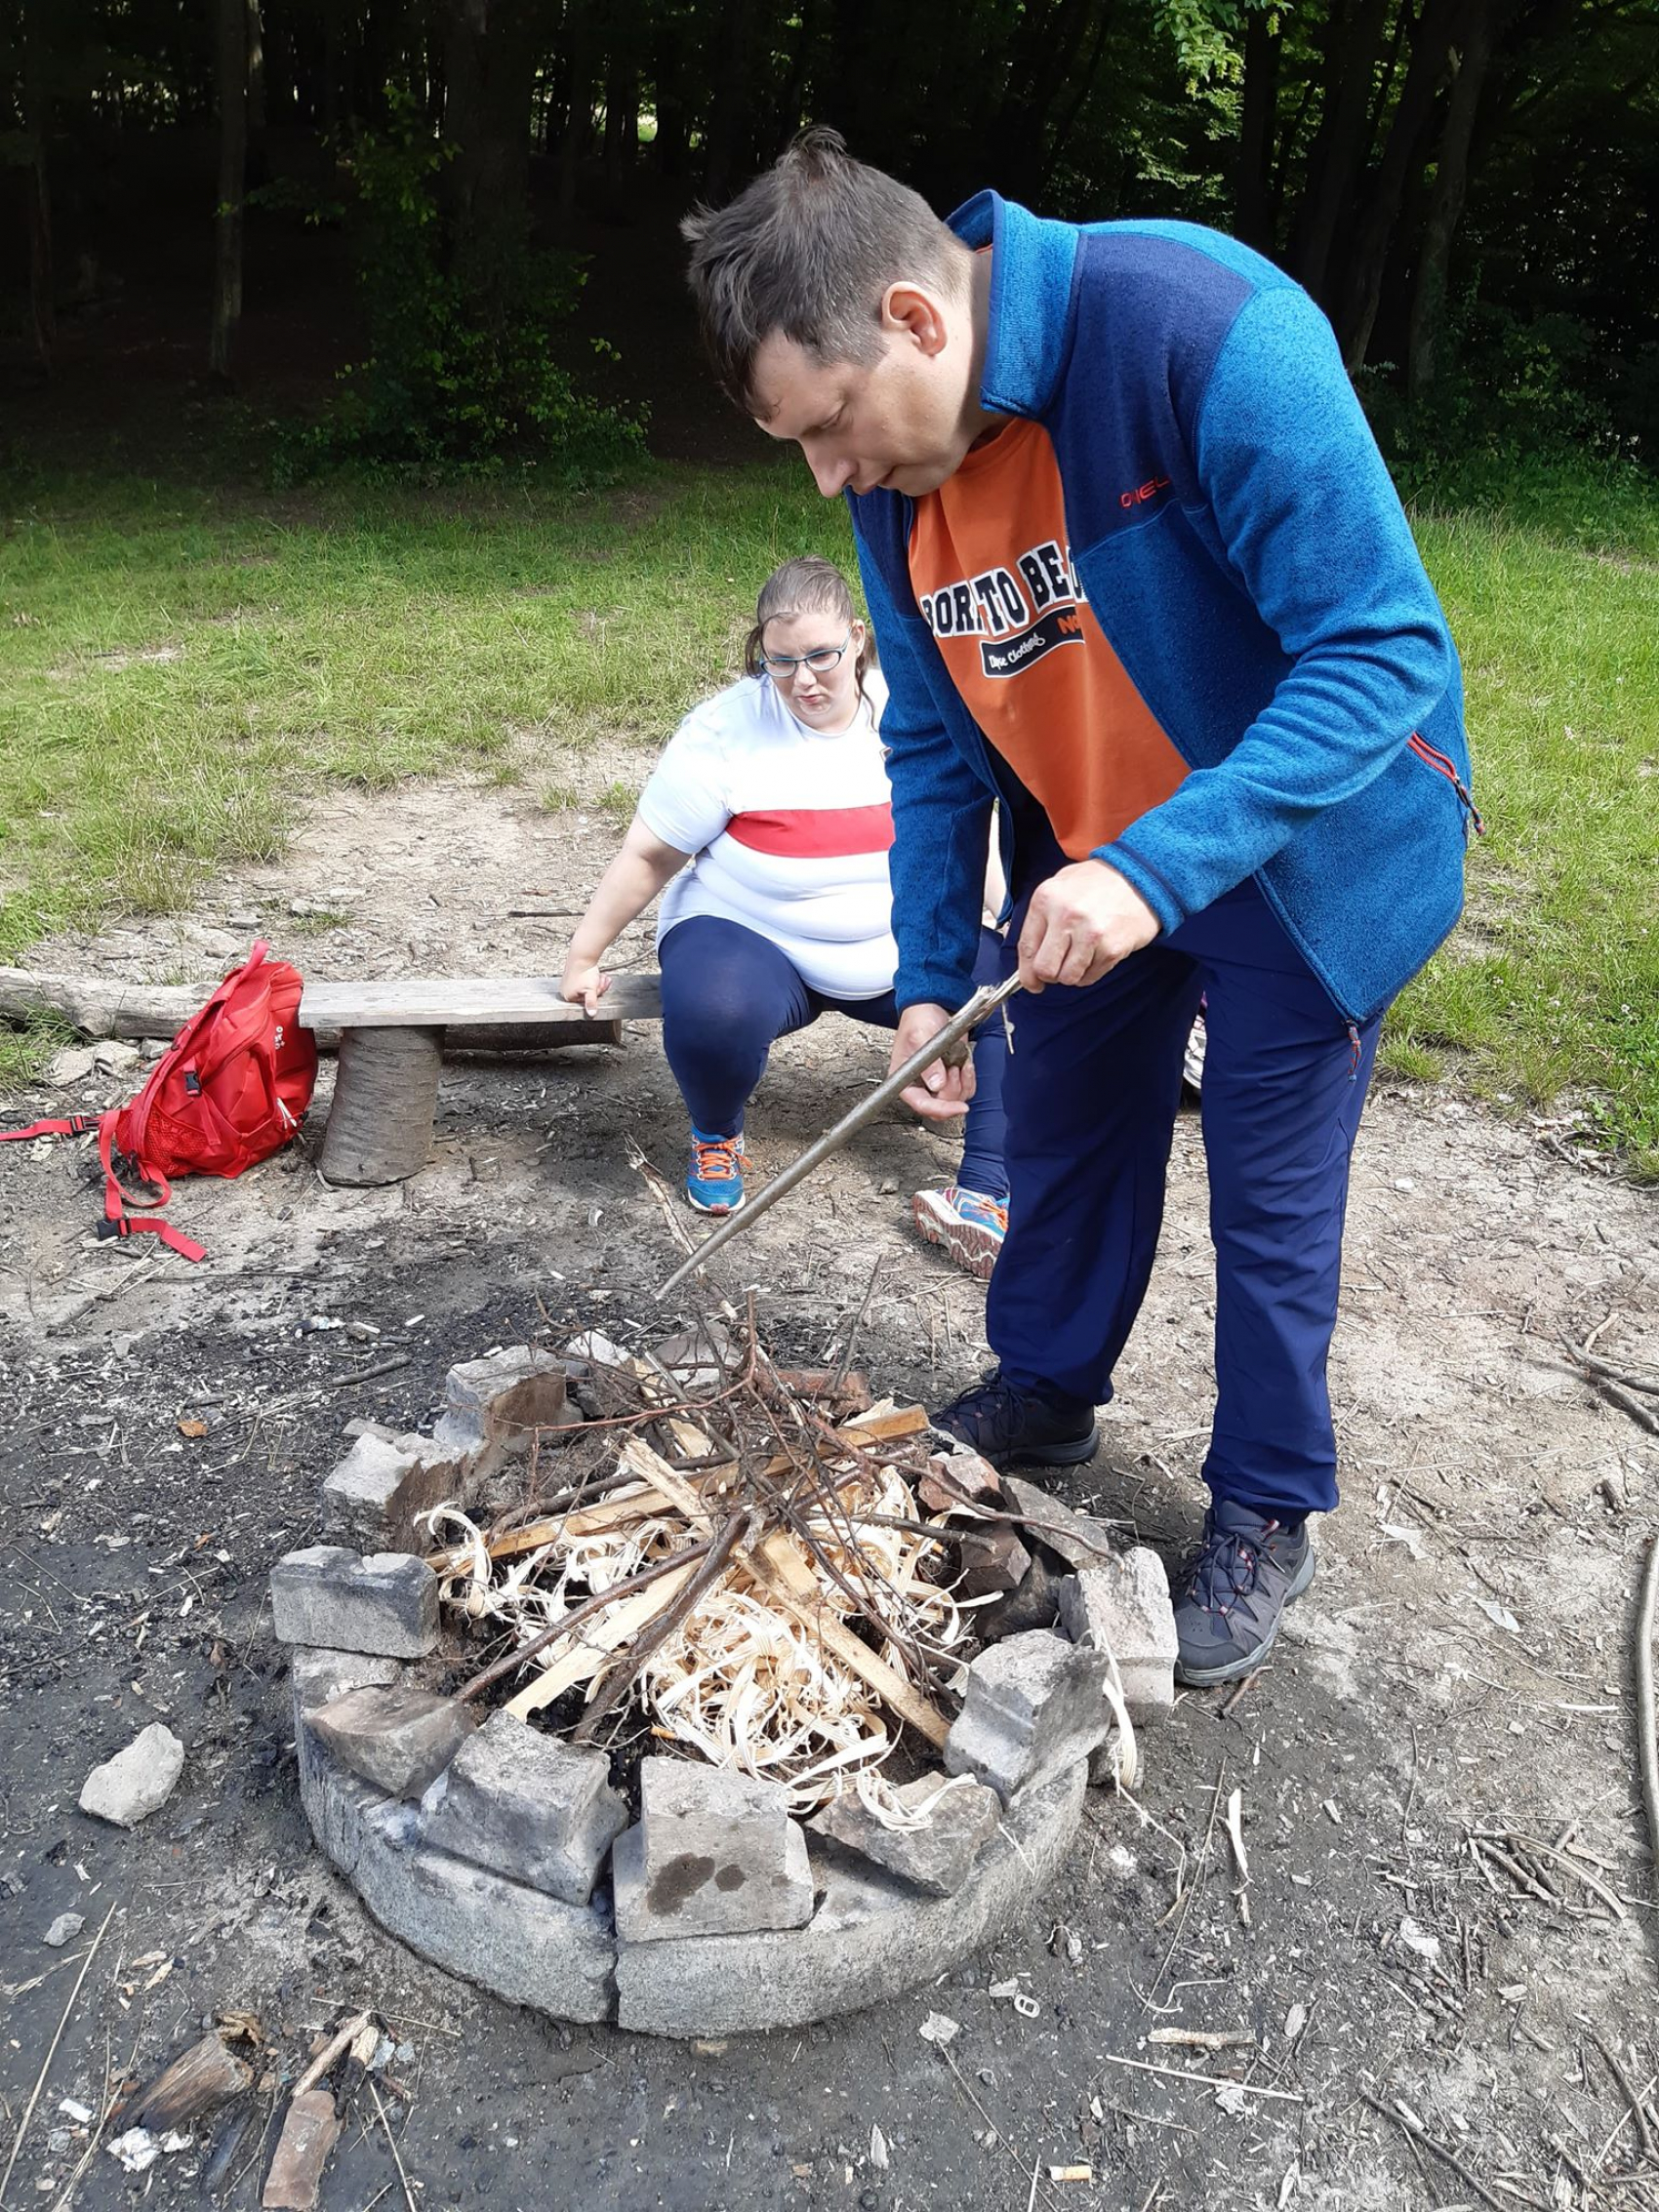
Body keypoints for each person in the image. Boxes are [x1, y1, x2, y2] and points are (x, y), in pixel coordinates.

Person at [682, 130, 1475, 1686]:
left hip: (1300, 846)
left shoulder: (1201, 331)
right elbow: (927, 736)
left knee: (1268, 1199)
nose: (830, 476)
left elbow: (1384, 649)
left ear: (915, 318)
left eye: (830, 423)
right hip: (1089, 841)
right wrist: (927, 973)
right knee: (1064, 1132)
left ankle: (1264, 1506)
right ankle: (1045, 1387)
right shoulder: (901, 480)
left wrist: (1156, 868)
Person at [560, 553, 1011, 1275]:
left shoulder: (915, 704)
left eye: (821, 656)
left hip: (897, 945)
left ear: (858, 640)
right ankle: (716, 1133)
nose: (804, 679)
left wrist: (1007, 915)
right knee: (713, 1008)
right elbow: (649, 855)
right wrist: (584, 956)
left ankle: (987, 1187)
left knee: (1008, 991)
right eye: (782, 661)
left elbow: (968, 833)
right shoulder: (724, 730)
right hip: (757, 934)